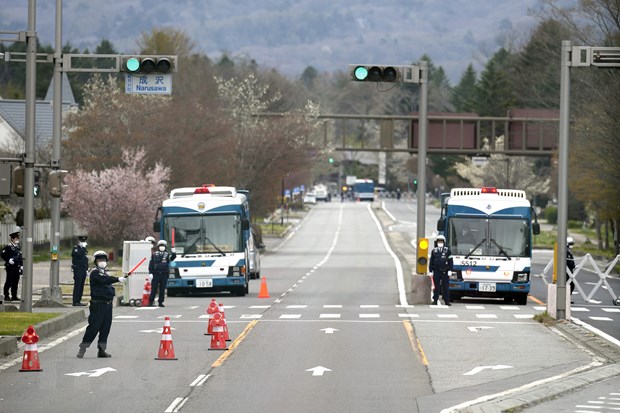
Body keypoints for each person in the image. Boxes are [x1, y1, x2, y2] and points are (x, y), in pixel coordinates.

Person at [76, 251, 126, 358]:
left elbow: (107, 281)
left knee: (105, 328)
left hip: (108, 305)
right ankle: (83, 348)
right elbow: (104, 280)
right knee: (93, 328)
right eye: (99, 260)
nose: (102, 262)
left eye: (103, 260)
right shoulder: (95, 273)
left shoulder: (104, 273)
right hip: (98, 305)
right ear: (95, 261)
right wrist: (117, 279)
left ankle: (102, 350)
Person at [148, 240, 176, 307]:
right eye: (160, 245)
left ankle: (160, 302)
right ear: (158, 246)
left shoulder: (167, 254)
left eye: (163, 246)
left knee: (162, 289)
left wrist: (174, 253)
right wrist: (150, 273)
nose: (162, 247)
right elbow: (151, 264)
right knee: (154, 288)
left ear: (165, 247)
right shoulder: (154, 254)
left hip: (164, 274)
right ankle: (151, 301)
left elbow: (172, 258)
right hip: (155, 274)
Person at [429, 235, 453, 306]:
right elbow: (431, 261)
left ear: (444, 242)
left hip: (445, 271)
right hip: (436, 271)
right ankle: (435, 300)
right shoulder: (434, 251)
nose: (440, 243)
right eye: (439, 242)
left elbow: (450, 261)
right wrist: (430, 271)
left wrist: (450, 270)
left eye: (441, 242)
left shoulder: (447, 251)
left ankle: (446, 301)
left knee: (445, 286)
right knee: (436, 287)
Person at [1, 227, 23, 302]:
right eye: (16, 238)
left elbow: (20, 257)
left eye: (18, 238)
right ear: (12, 239)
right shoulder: (9, 247)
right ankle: (6, 295)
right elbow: (2, 254)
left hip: (17, 267)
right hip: (11, 267)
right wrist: (8, 260)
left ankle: (14, 295)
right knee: (9, 281)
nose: (17, 239)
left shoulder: (17, 248)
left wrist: (22, 266)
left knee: (16, 282)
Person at [71, 235, 89, 306]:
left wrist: (87, 269)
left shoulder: (84, 249)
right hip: (78, 269)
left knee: (81, 286)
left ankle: (78, 300)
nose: (83, 242)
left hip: (83, 270)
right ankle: (75, 301)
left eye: (84, 241)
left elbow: (85, 260)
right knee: (77, 285)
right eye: (82, 241)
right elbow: (77, 255)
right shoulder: (76, 248)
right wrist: (83, 248)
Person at [567, 237, 576, 303]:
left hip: (570, 271)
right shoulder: (566, 252)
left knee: (571, 285)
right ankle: (566, 299)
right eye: (570, 244)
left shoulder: (568, 251)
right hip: (566, 272)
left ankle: (567, 298)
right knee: (570, 285)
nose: (571, 245)